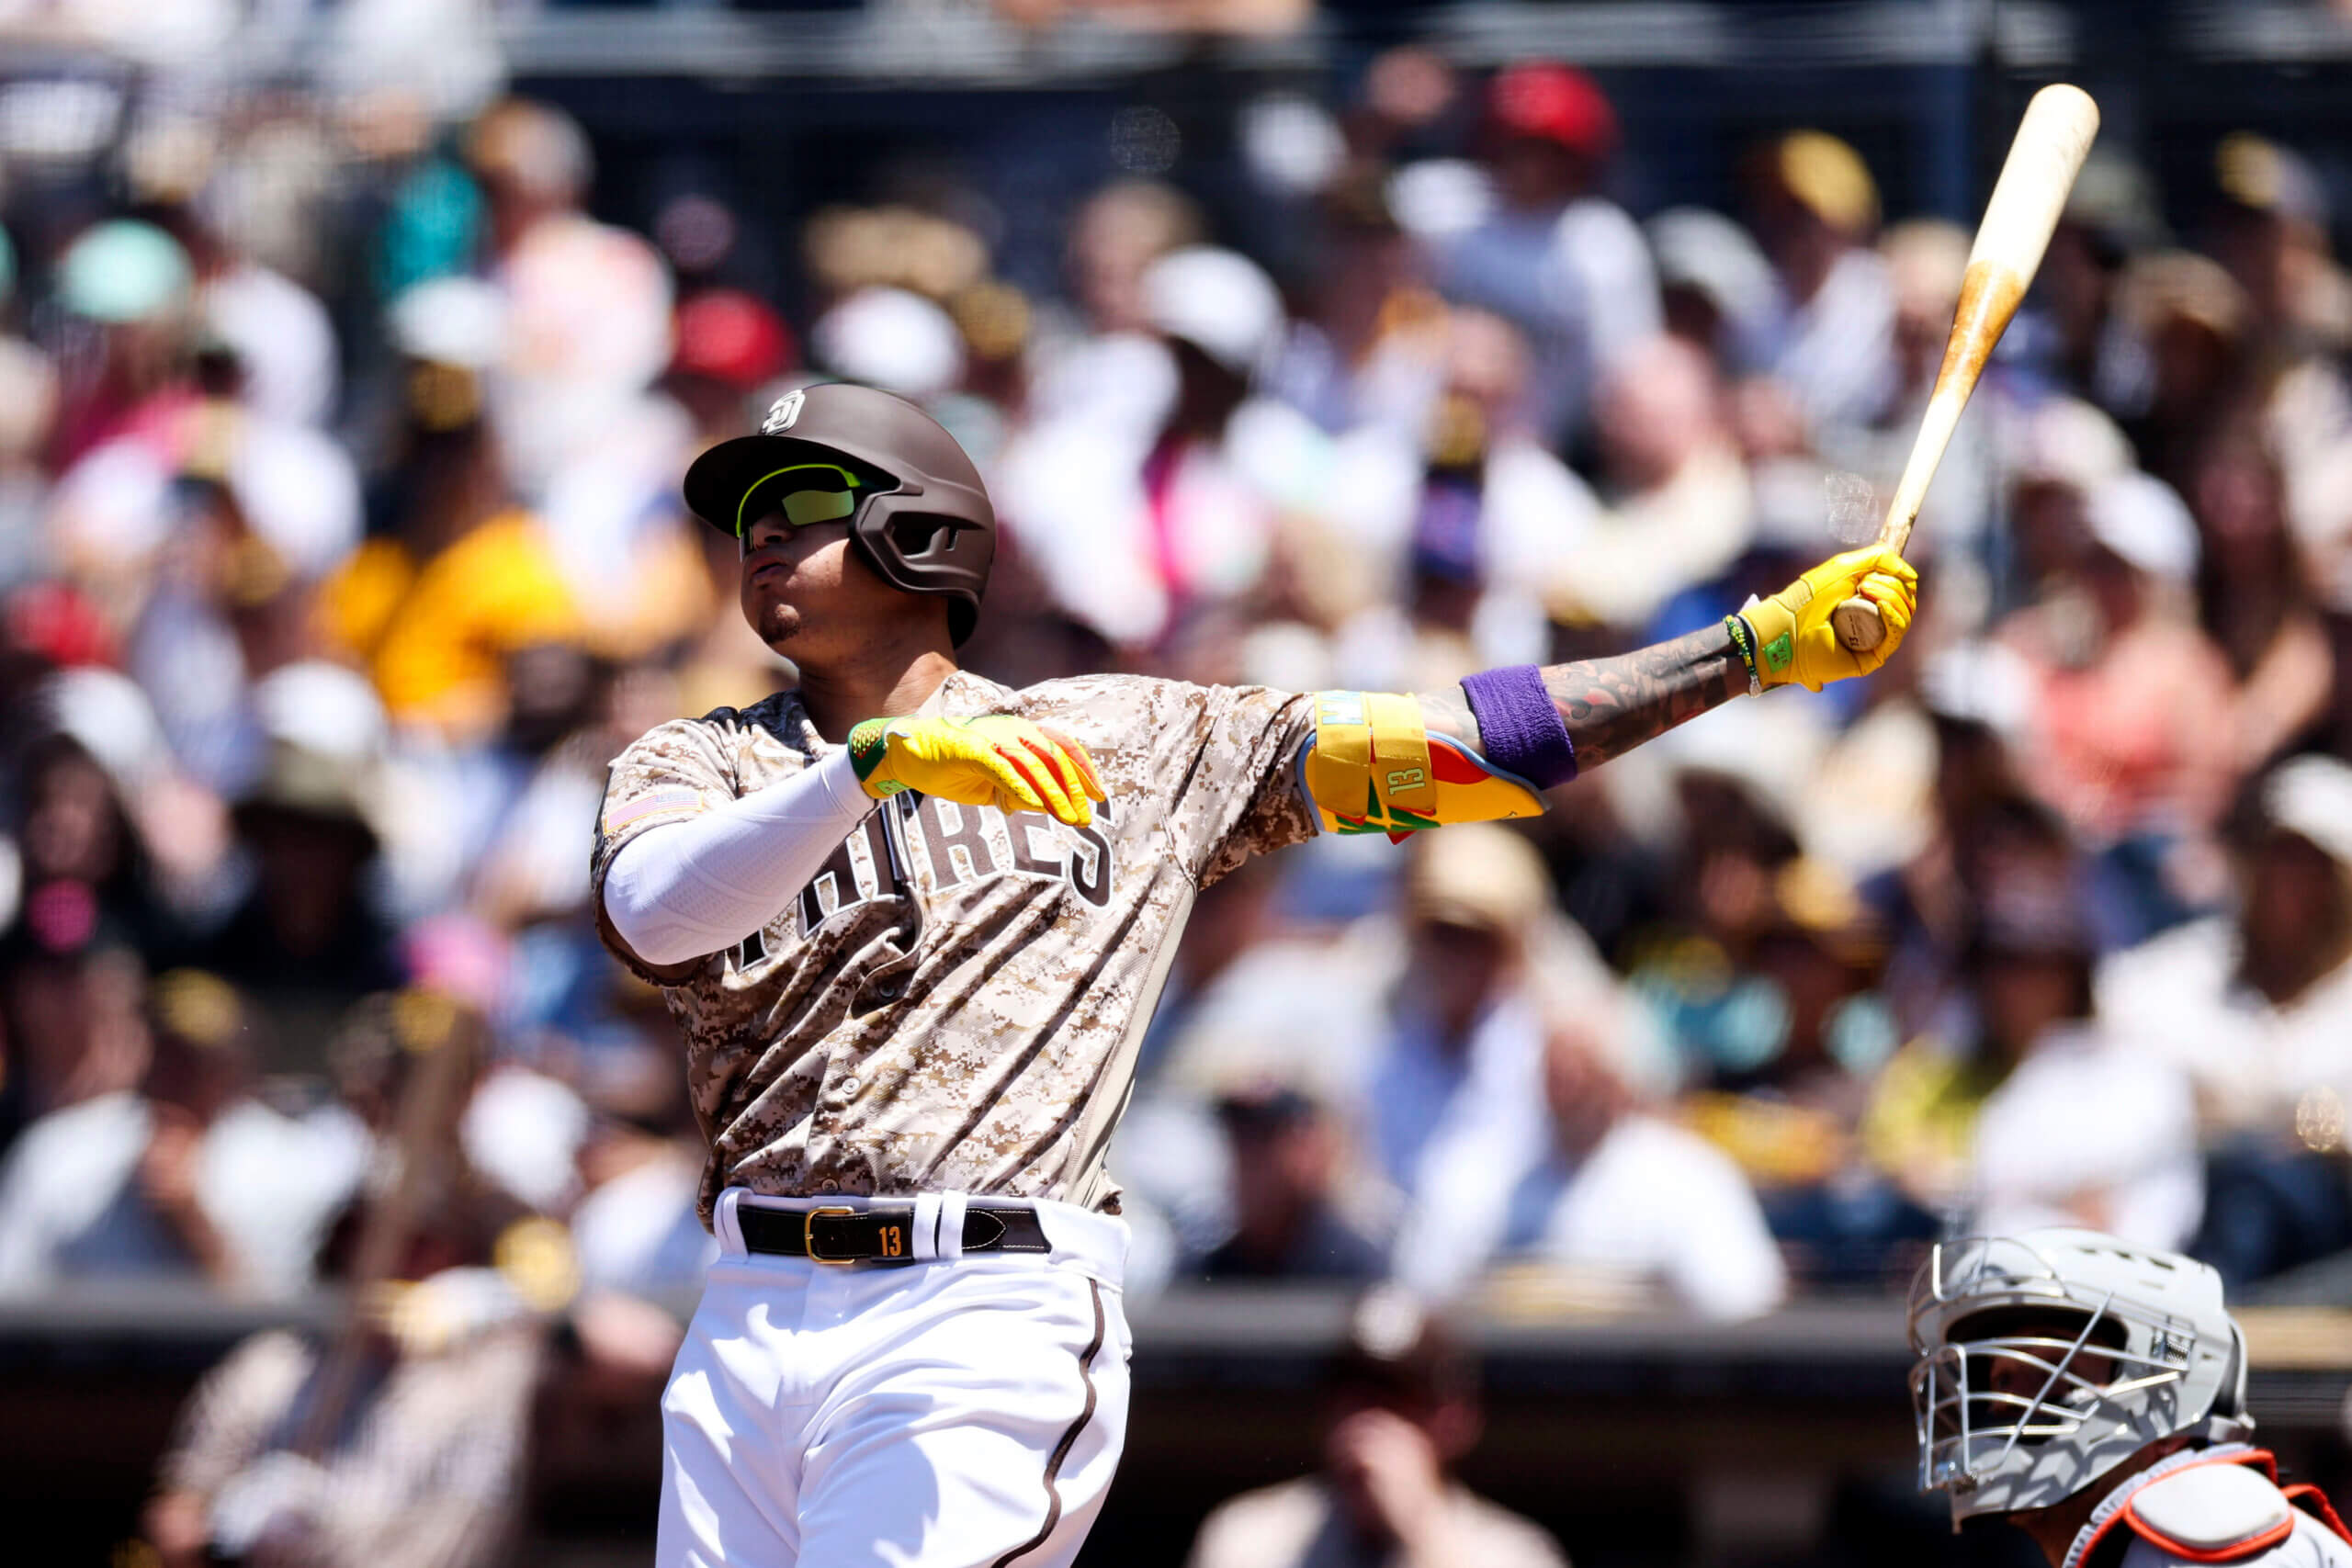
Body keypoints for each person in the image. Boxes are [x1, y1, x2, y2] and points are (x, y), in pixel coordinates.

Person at [592, 380, 1917, 1567]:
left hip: (971, 1306)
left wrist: (1742, 652)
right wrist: (867, 768)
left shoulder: (1130, 739)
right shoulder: (697, 763)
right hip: (746, 1307)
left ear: (919, 530)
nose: (762, 531)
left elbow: (1468, 742)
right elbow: (654, 915)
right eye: (746, 513)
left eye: (803, 500)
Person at [1907, 1227, 2352, 1567]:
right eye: (2001, 1379)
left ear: (2170, 1379)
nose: (2003, 1408)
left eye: (2046, 1373)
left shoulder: (2209, 1541)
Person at [1184, 1288, 1567, 1568]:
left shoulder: (1514, 1555)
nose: (1366, 1422)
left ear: (1454, 1421)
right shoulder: (1249, 1539)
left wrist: (1420, 1535)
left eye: (1397, 1401)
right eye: (1353, 1395)